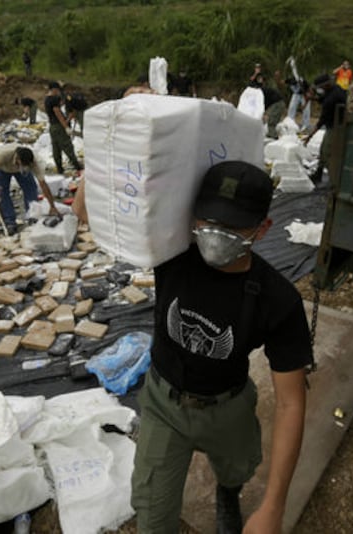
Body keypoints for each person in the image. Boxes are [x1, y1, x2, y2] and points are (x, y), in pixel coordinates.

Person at [118, 161, 313, 533]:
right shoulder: (171, 255)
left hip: (228, 407)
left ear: (262, 228)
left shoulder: (277, 300)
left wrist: (273, 506)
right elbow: (86, 212)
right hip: (163, 404)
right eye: (209, 220)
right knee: (153, 518)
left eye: (232, 225)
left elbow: (291, 403)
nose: (216, 234)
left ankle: (228, 493)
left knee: (237, 467)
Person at [0, 145, 61, 234]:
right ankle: (10, 222)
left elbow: (43, 185)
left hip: (22, 171)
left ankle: (32, 216)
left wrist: (52, 206)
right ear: (17, 160)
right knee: (3, 193)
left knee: (31, 189)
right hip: (2, 169)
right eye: (22, 164)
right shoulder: (2, 156)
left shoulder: (35, 161)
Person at [304, 73, 347, 185]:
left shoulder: (332, 98)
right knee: (322, 151)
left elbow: (321, 121)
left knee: (328, 153)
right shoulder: (335, 89)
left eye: (320, 88)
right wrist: (312, 98)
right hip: (335, 125)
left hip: (336, 128)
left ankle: (335, 182)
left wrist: (310, 136)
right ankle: (318, 174)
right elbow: (323, 98)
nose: (319, 90)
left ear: (326, 85)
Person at [44, 82, 83, 174]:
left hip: (52, 127)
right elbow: (58, 113)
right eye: (57, 90)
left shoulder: (47, 99)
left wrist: (68, 118)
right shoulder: (53, 100)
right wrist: (66, 127)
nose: (58, 92)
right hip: (59, 127)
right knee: (67, 146)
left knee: (56, 148)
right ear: (53, 89)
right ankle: (77, 167)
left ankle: (59, 168)